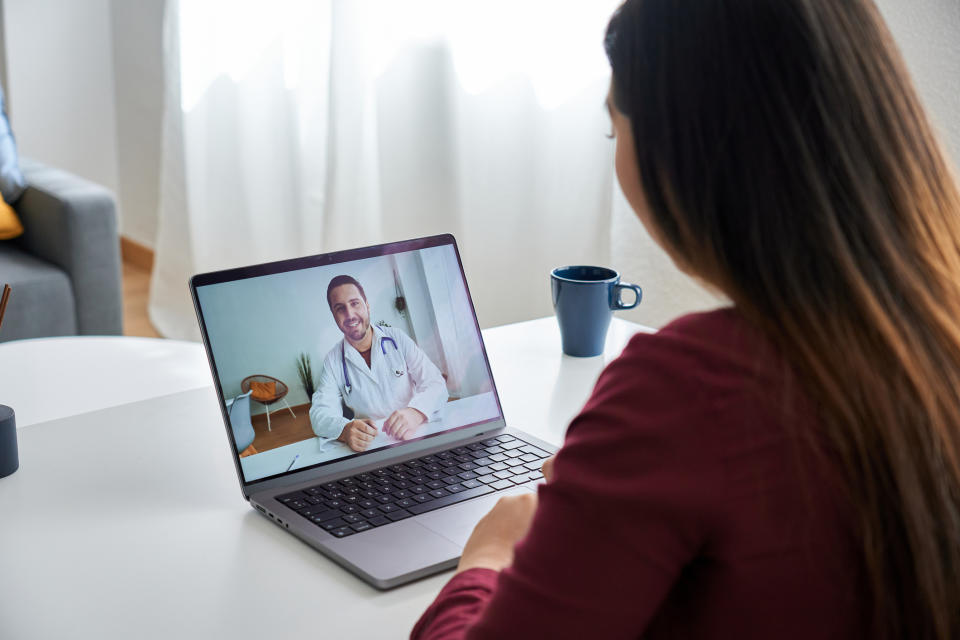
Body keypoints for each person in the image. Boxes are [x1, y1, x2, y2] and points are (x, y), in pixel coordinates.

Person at [411, 1, 960, 638]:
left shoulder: (686, 389)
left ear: (690, 148)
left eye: (616, 130)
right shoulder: (933, 336)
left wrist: (488, 556)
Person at [310, 275, 447, 452]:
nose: (350, 315)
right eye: (340, 308)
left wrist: (416, 412)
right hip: (373, 446)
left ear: (367, 305)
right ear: (334, 315)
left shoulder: (397, 338)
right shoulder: (333, 360)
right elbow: (319, 414)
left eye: (355, 303)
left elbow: (436, 383)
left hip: (415, 435)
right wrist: (345, 430)